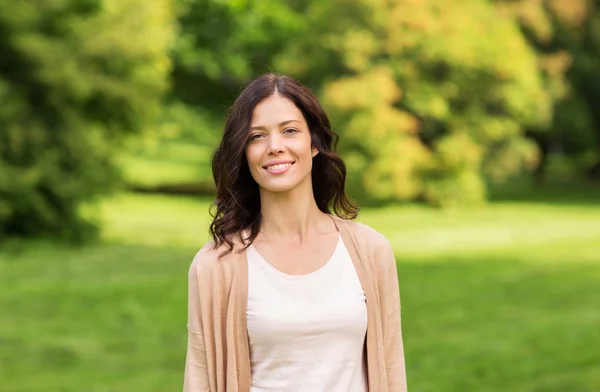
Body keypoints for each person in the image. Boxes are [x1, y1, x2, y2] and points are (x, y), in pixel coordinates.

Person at [183, 74, 407, 392]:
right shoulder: (216, 265)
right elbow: (200, 379)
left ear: (313, 143)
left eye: (289, 131)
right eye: (256, 137)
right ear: (244, 153)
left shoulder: (370, 250)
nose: (275, 147)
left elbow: (392, 368)